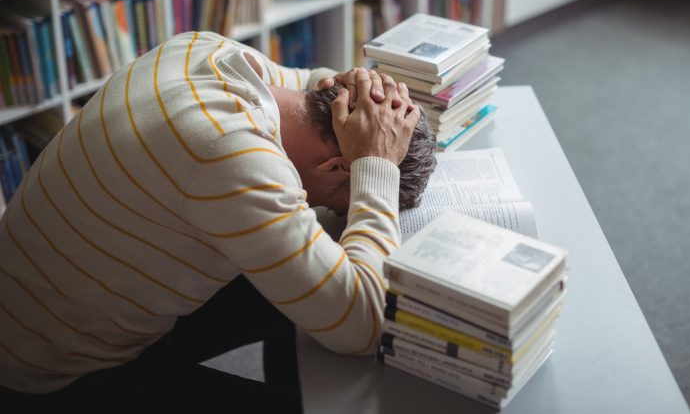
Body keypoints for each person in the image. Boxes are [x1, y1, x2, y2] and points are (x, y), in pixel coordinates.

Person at [0, 31, 437, 407]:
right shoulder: (233, 156)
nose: (333, 208)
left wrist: (367, 99)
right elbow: (365, 323)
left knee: (312, 262)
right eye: (342, 199)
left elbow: (312, 85)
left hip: (48, 305)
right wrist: (376, 166)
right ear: (337, 168)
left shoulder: (206, 51)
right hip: (53, 374)